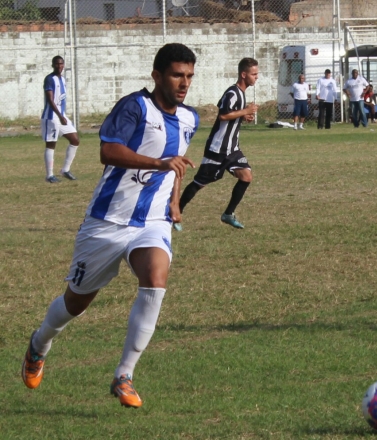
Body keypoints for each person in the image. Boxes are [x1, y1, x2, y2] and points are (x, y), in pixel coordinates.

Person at [21, 43, 199, 408]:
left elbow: (176, 163)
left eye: (190, 76)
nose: (184, 83)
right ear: (157, 75)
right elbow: (108, 151)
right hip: (107, 221)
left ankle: (124, 375)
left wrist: (175, 201)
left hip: (151, 221)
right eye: (177, 75)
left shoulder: (190, 118)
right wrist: (158, 163)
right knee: (76, 303)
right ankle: (39, 344)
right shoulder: (134, 106)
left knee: (155, 277)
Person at [176, 58, 259, 230]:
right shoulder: (232, 93)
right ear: (244, 75)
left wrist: (244, 116)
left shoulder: (241, 94)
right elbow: (222, 115)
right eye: (254, 74)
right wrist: (245, 111)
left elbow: (231, 115)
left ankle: (228, 214)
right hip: (218, 149)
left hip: (232, 148)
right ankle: (176, 212)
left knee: (246, 176)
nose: (256, 77)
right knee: (199, 183)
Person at [41, 56, 80, 183]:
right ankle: (49, 175)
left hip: (61, 116)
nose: (59, 66)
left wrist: (62, 116)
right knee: (51, 145)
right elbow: (50, 100)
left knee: (75, 140)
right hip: (51, 117)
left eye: (61, 64)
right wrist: (60, 116)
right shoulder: (49, 79)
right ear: (53, 65)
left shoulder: (62, 79)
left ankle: (65, 170)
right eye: (57, 64)